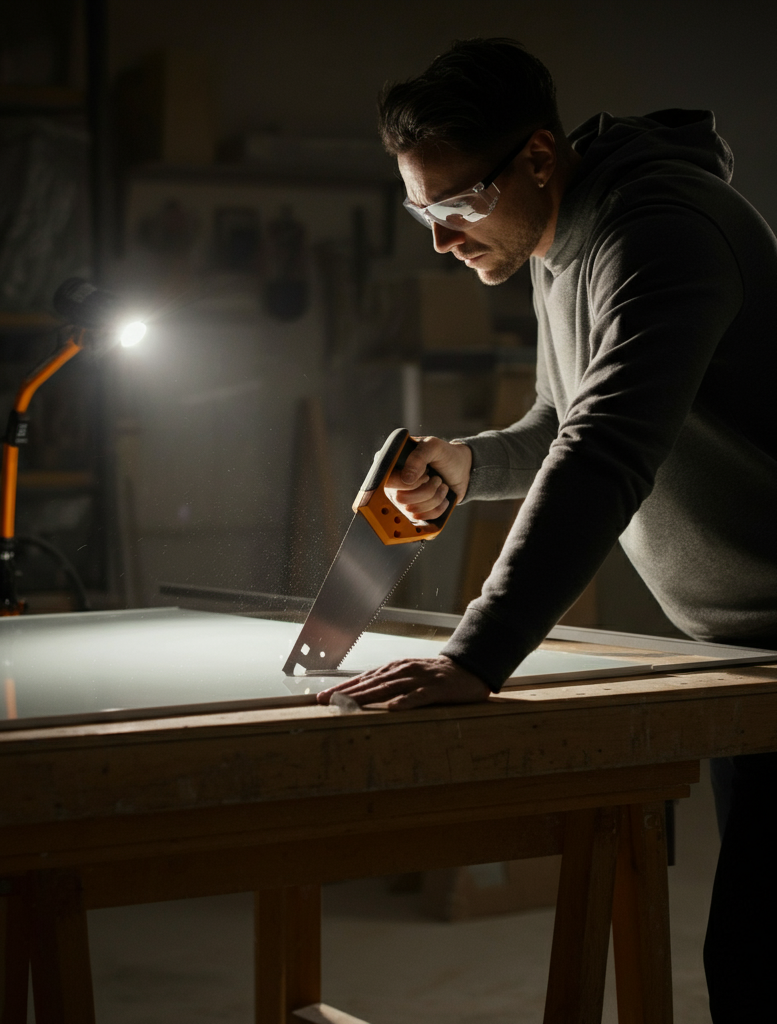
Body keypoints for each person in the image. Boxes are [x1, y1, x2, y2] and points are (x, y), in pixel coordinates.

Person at [316, 38, 777, 1021]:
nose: (437, 240)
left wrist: (476, 654)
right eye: (419, 211)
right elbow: (562, 421)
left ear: (534, 157)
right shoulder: (550, 242)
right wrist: (466, 462)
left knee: (755, 958)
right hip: (744, 644)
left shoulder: (663, 234)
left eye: (453, 208)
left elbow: (607, 450)